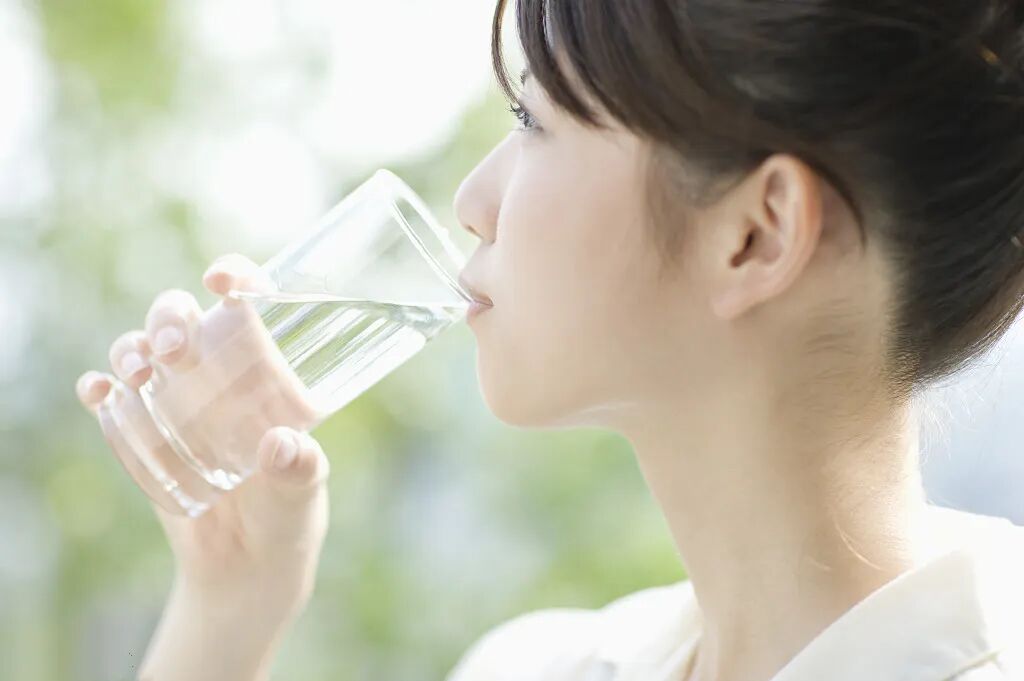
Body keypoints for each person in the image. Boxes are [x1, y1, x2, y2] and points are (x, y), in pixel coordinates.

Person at [76, 1, 1024, 680]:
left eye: (534, 119)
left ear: (756, 234)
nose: (473, 200)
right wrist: (226, 610)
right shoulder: (541, 662)